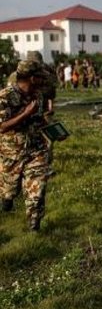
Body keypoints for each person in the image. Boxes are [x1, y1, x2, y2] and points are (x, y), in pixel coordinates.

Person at [0, 60, 52, 230]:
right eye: (40, 77)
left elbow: (39, 119)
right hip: (11, 154)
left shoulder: (38, 95)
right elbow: (2, 126)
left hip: (36, 150)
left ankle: (34, 226)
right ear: (31, 78)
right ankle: (7, 200)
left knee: (37, 189)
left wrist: (53, 131)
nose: (43, 80)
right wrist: (24, 114)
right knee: (9, 190)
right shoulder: (5, 97)